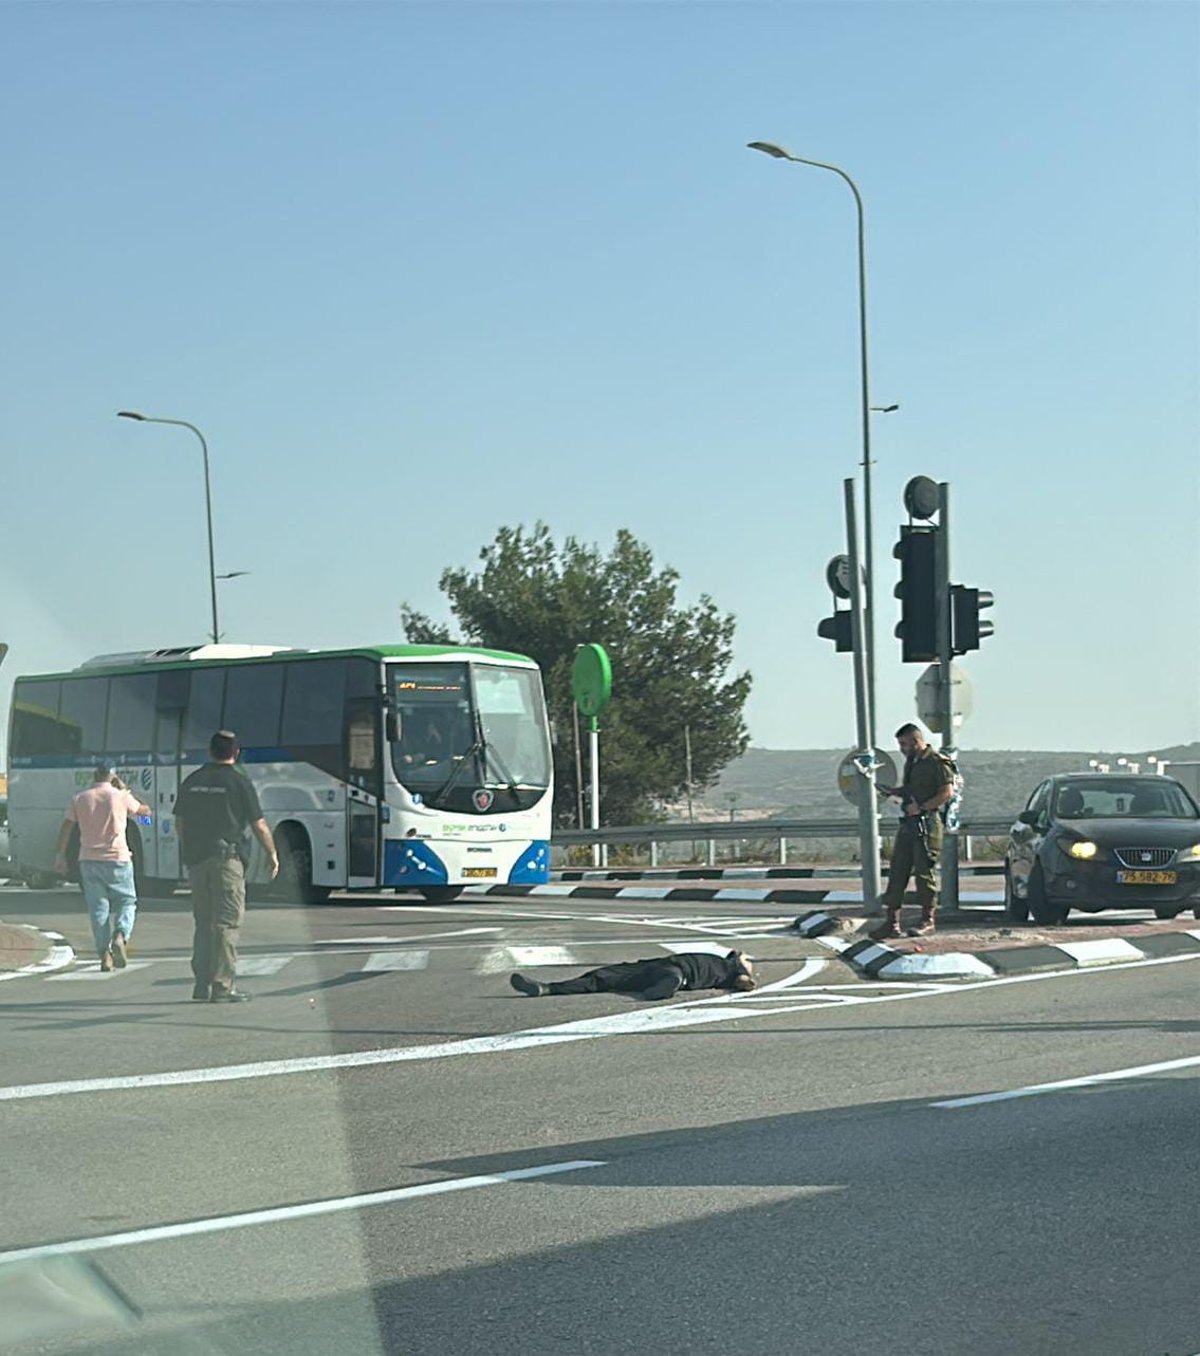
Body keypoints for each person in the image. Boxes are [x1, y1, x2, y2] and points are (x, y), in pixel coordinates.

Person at [175, 730, 279, 1003]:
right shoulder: (239, 782)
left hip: (197, 860)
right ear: (236, 753)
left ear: (210, 751)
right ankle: (222, 986)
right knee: (226, 924)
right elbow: (259, 825)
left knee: (203, 921)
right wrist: (272, 854)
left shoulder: (192, 780)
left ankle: (201, 983)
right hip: (226, 860)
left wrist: (191, 849)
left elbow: (180, 823)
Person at [53, 765, 151, 973]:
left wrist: (60, 855)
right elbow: (146, 817)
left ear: (94, 777)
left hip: (88, 860)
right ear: (112, 777)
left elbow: (67, 828)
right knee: (127, 901)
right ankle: (121, 935)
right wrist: (126, 791)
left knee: (99, 909)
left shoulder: (80, 798)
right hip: (118, 859)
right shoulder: (120, 797)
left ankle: (104, 955)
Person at [870, 722, 956, 939]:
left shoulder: (937, 762)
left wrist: (922, 807)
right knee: (898, 871)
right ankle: (892, 922)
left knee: (924, 873)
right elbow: (911, 789)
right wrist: (893, 791)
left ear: (916, 741)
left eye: (904, 744)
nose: (902, 749)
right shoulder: (911, 762)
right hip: (909, 823)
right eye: (900, 744)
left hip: (927, 823)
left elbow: (946, 792)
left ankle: (928, 919)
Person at [510, 949, 756, 1001]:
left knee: (671, 975)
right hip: (654, 964)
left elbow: (747, 984)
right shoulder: (727, 959)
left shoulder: (733, 972)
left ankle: (670, 986)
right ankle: (548, 988)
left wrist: (746, 977)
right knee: (604, 976)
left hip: (679, 972)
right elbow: (741, 953)